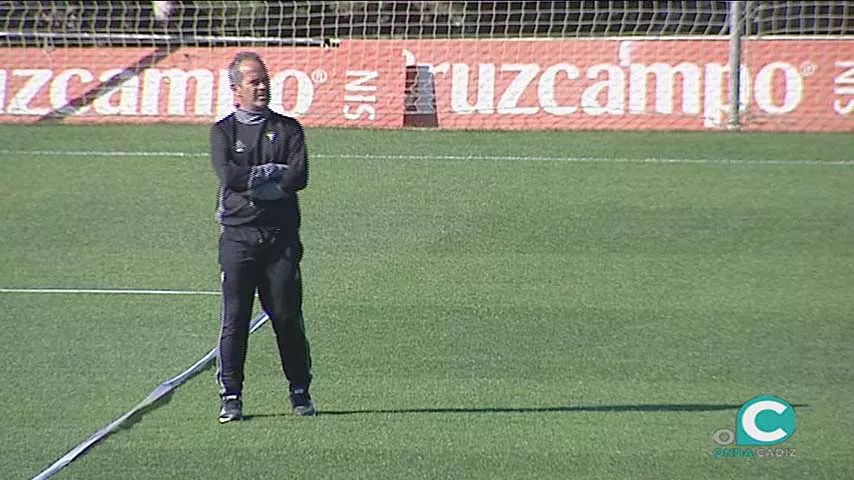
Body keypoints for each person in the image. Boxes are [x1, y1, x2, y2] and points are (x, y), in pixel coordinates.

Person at [210, 51, 314, 423]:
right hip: (238, 239)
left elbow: (298, 178)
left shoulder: (289, 129)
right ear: (236, 91)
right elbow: (231, 178)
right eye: (254, 81)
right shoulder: (223, 131)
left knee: (287, 317)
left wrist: (258, 179)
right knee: (235, 320)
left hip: (281, 238)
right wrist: (271, 175)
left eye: (265, 80)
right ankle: (231, 395)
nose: (262, 87)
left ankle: (300, 391)